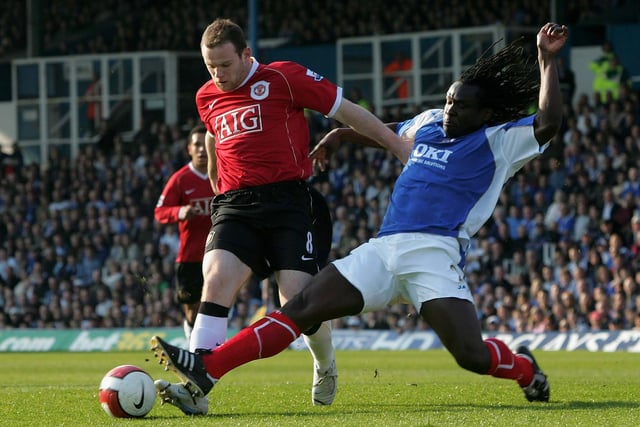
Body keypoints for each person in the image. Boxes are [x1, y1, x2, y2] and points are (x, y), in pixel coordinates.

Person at [150, 21, 568, 407]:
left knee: (472, 356)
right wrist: (339, 137)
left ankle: (525, 370)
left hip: (434, 254)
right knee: (300, 306)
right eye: (448, 100)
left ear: (485, 115)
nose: (449, 111)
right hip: (383, 250)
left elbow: (548, 122)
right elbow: (386, 133)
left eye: (460, 107)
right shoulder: (427, 124)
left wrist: (546, 60)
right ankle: (207, 369)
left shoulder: (499, 141)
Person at [152, 18, 407, 415]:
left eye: (225, 65)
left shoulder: (284, 78)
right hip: (236, 204)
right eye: (210, 67)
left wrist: (396, 146)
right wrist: (219, 184)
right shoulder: (206, 96)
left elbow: (347, 111)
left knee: (299, 303)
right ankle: (196, 388)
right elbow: (214, 136)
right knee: (216, 279)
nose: (218, 75)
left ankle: (325, 365)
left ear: (247, 54)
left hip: (288, 202)